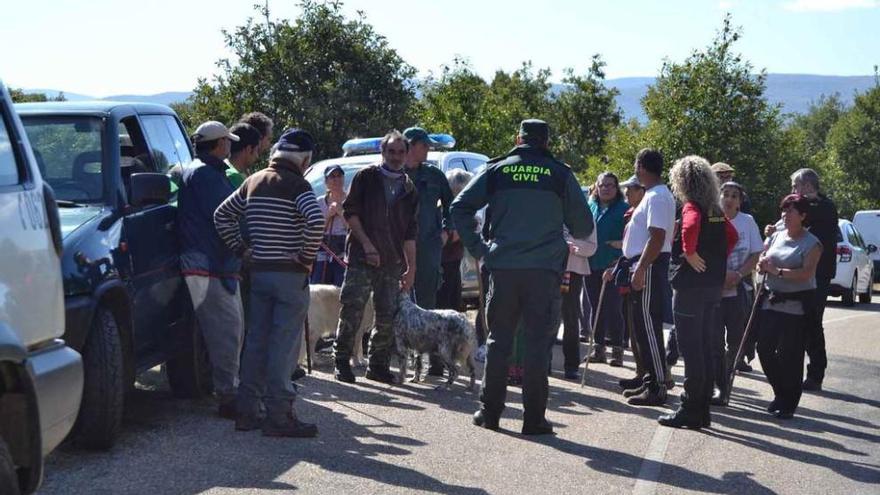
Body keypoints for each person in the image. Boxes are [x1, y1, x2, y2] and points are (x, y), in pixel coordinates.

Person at [452, 119, 593, 435]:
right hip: (544, 272)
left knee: (499, 342)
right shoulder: (560, 174)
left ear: (518, 138)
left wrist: (479, 248)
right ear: (546, 142)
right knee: (537, 345)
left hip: (503, 267)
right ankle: (533, 419)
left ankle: (489, 413)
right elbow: (583, 227)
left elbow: (459, 207)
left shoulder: (497, 169)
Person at [214, 128, 324, 437]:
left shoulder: (253, 181)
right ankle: (279, 415)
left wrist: (241, 249)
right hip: (290, 276)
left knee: (256, 342)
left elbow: (222, 216)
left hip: (258, 273)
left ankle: (247, 412)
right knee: (284, 346)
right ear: (304, 160)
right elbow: (316, 221)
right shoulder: (298, 186)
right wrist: (304, 256)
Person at [333, 131, 419, 384]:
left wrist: (411, 267)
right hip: (362, 257)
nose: (396, 157)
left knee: (387, 314)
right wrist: (367, 245)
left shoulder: (409, 189)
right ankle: (342, 361)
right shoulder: (366, 177)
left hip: (391, 262)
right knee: (352, 309)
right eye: (391, 151)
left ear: (407, 154)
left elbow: (410, 232)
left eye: (401, 152)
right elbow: (350, 213)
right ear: (383, 152)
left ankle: (378, 365)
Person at [658, 156, 737, 429]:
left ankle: (690, 408)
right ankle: (702, 410)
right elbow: (732, 236)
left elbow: (690, 228)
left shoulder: (692, 207)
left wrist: (690, 253)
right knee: (704, 346)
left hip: (691, 287)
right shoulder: (715, 209)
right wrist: (717, 259)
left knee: (691, 350)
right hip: (712, 286)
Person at [177, 121, 244, 418]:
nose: (230, 146)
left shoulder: (200, 171)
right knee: (226, 334)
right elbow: (228, 214)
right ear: (219, 145)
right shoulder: (206, 175)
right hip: (209, 265)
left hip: (212, 264)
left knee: (228, 332)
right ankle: (228, 397)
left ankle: (229, 390)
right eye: (227, 142)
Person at [606, 148, 676, 406]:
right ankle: (648, 377)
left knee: (649, 326)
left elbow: (657, 237)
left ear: (642, 167)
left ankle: (657, 385)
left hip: (650, 265)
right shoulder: (654, 195)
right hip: (641, 263)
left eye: (637, 165)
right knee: (642, 327)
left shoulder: (657, 196)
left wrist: (642, 268)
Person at [757, 194, 821, 419]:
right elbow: (765, 259)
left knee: (790, 356)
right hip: (771, 302)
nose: (785, 215)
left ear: (803, 216)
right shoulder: (776, 237)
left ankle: (789, 403)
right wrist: (762, 266)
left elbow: (806, 274)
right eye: (783, 210)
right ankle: (780, 392)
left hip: (797, 307)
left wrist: (777, 271)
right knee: (763, 349)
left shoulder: (812, 243)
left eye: (790, 211)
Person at [403, 127, 455, 376]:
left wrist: (447, 231)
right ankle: (395, 358)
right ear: (411, 145)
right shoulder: (392, 172)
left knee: (428, 303)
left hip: (427, 245)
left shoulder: (434, 175)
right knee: (395, 302)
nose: (428, 150)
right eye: (425, 145)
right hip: (397, 245)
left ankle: (434, 361)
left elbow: (451, 205)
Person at [711, 181, 763, 405]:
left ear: (740, 202)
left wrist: (738, 275)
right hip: (713, 289)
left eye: (734, 196)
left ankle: (726, 385)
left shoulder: (747, 222)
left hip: (738, 289)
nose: (729, 199)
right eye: (725, 194)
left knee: (735, 342)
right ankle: (717, 385)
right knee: (713, 340)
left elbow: (755, 254)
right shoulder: (712, 218)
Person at [585, 172, 629, 366]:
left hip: (614, 265)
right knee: (596, 307)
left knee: (613, 308)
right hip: (591, 263)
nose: (605, 188)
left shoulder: (624, 209)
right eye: (602, 185)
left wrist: (621, 244)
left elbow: (632, 236)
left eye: (610, 185)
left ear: (616, 187)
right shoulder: (590, 205)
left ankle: (617, 351)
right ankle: (598, 349)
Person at [560, 224, 597, 379]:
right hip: (549, 268)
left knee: (570, 318)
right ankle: (543, 362)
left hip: (574, 271)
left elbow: (591, 247)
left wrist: (573, 245)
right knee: (547, 317)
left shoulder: (584, 215)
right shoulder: (552, 206)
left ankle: (571, 364)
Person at [436, 169, 473, 313]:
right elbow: (446, 236)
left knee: (454, 303)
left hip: (454, 262)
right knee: (445, 304)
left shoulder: (459, 208)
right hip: (443, 264)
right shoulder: (443, 208)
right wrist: (466, 229)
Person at [311, 165, 348, 286]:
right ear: (326, 182)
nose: (336, 180)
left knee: (340, 290)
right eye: (332, 177)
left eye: (339, 176)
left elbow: (354, 229)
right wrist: (328, 215)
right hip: (323, 254)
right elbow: (315, 231)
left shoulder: (351, 201)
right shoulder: (319, 202)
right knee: (318, 289)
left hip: (344, 254)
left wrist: (341, 213)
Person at [225, 123, 262, 188]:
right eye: (257, 150)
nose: (257, 156)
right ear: (249, 149)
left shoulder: (222, 167)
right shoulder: (235, 177)